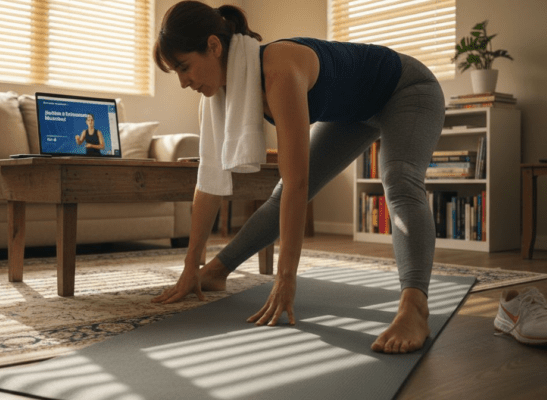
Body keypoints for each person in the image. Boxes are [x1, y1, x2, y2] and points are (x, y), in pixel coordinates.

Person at [151, 0, 445, 355]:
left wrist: (285, 278)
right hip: (355, 111)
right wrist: (191, 266)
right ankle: (217, 270)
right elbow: (208, 182)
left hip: (406, 89)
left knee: (399, 180)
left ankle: (415, 308)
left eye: (185, 68)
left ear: (214, 46)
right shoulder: (218, 97)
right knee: (279, 198)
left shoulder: (279, 69)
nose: (184, 82)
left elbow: (298, 182)